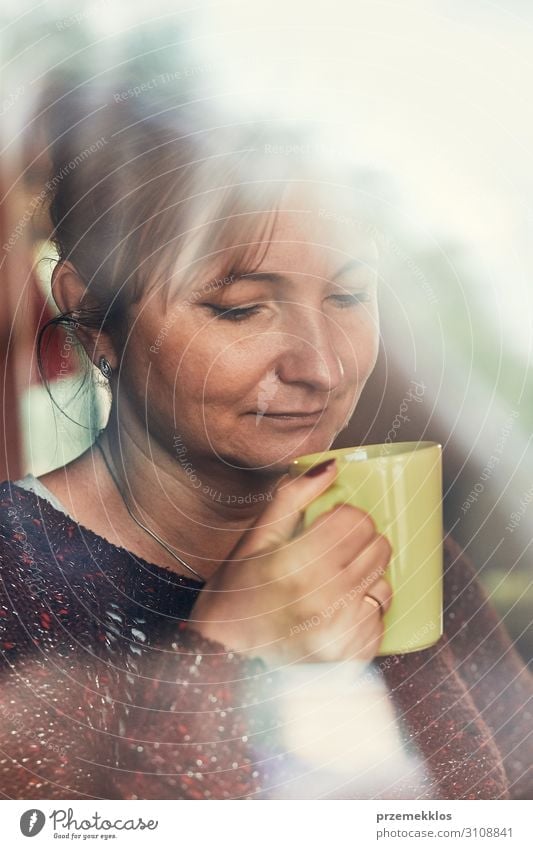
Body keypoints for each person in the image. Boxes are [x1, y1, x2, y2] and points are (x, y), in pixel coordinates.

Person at [0, 89, 531, 801]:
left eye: (348, 297)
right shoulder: (16, 576)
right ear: (92, 311)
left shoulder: (399, 541)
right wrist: (231, 651)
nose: (323, 367)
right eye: (240, 307)